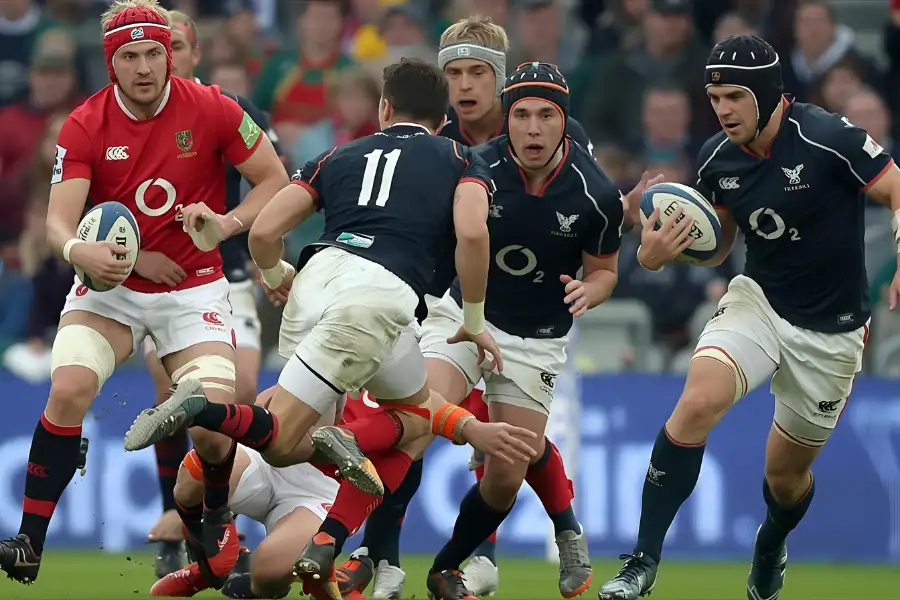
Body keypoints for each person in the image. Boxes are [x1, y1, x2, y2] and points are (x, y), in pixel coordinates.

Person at [122, 58, 539, 599]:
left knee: (413, 421)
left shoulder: (339, 154)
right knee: (282, 443)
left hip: (318, 282)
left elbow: (266, 227)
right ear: (441, 118)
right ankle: (205, 411)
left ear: (384, 108)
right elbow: (472, 235)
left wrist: (276, 275)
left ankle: (325, 467)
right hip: (381, 297)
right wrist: (476, 321)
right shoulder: (461, 158)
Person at [597, 35, 900, 600]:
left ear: (766, 93)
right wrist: (658, 252)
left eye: (735, 96)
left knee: (785, 482)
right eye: (714, 97)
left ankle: (771, 543)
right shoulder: (717, 156)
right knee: (696, 403)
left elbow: (897, 189)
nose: (723, 109)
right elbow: (716, 244)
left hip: (830, 334)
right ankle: (641, 561)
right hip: (758, 303)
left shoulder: (826, 135)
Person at [0, 0, 289, 587]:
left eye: (154, 53)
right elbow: (59, 221)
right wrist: (79, 252)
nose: (144, 67)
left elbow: (275, 181)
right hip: (109, 289)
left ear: (170, 54)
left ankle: (211, 518)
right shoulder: (84, 122)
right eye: (129, 56)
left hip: (195, 288)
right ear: (112, 62)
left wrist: (228, 225)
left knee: (210, 425)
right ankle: (30, 538)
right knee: (70, 388)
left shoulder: (213, 107)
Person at [336, 17, 598, 599]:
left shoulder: (551, 128)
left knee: (501, 442)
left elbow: (589, 211)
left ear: (500, 80)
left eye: (478, 71)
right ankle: (380, 558)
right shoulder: (432, 134)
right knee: (416, 420)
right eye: (453, 71)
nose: (464, 85)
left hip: (524, 311)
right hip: (435, 298)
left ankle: (477, 555)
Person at [415, 61, 625, 600]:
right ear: (506, 119)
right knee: (420, 411)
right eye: (522, 115)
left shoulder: (596, 194)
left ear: (564, 122)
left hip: (536, 335)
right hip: (465, 316)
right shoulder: (475, 168)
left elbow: (604, 271)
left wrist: (591, 291)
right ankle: (367, 551)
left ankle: (446, 566)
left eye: (547, 116)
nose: (533, 128)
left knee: (507, 474)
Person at [136, 10, 284, 579]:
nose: (162, 58)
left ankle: (208, 515)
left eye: (172, 46)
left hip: (231, 273)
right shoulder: (130, 118)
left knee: (238, 390)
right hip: (164, 280)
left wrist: (269, 261)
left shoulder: (234, 113)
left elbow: (278, 188)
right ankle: (181, 517)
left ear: (192, 55)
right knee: (170, 388)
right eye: (153, 48)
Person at [150, 386, 341, 599]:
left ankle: (237, 575)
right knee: (194, 474)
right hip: (269, 457)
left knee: (269, 571)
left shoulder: (374, 372)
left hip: (320, 487)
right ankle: (214, 558)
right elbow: (275, 396)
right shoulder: (330, 358)